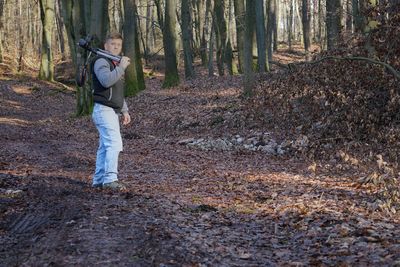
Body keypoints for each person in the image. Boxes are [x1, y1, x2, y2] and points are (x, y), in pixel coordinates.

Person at [91, 33, 131, 190]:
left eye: (118, 45)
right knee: (114, 144)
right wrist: (121, 68)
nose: (116, 47)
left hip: (112, 110)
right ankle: (110, 180)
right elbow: (106, 81)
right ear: (105, 46)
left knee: (105, 146)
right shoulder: (101, 61)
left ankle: (99, 180)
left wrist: (125, 110)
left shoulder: (115, 63)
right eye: (112, 44)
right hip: (103, 109)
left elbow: (117, 90)